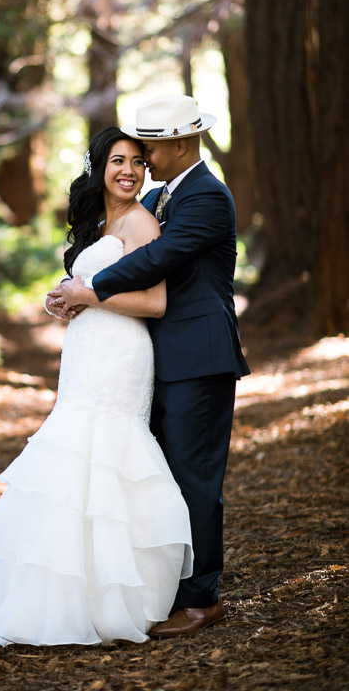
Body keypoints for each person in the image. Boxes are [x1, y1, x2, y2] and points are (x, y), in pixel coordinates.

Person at [0, 126, 193, 646]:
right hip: (86, 354)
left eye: (137, 160)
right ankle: (58, 598)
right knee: (73, 464)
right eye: (117, 161)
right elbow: (93, 289)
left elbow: (154, 302)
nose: (129, 170)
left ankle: (115, 600)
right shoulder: (98, 224)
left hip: (121, 356)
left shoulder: (141, 222)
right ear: (99, 168)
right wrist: (64, 299)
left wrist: (87, 297)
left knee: (106, 456)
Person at [49, 95, 250, 637]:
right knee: (160, 477)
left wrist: (91, 290)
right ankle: (161, 586)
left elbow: (159, 258)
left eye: (151, 149)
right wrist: (74, 291)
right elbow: (122, 238)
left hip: (200, 356)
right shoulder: (161, 195)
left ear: (180, 146)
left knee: (196, 479)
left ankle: (203, 598)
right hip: (156, 357)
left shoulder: (208, 196)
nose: (143, 158)